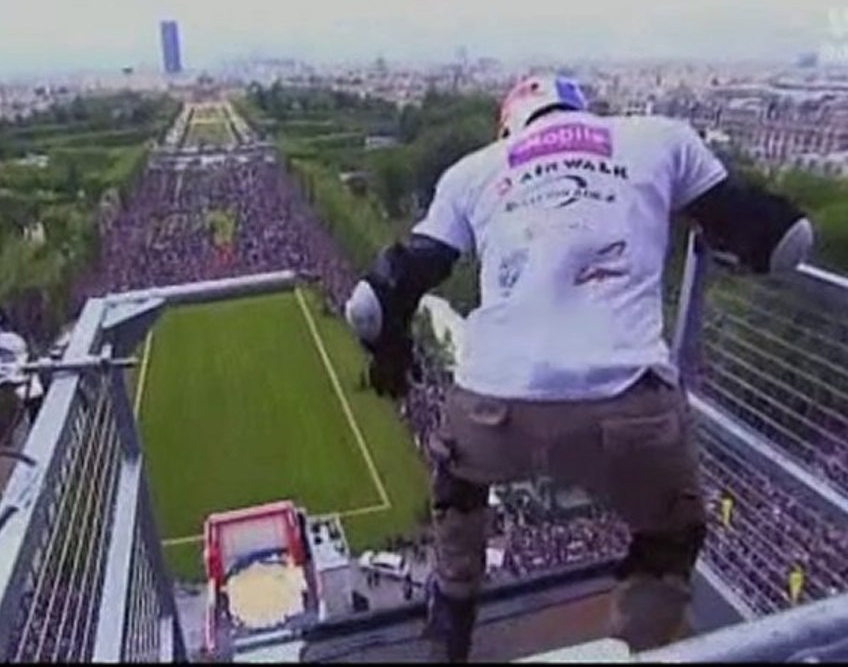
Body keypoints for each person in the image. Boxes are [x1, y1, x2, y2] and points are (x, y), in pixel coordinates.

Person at [344, 75, 814, 661]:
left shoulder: (472, 171)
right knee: (671, 536)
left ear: (509, 126)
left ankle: (450, 622)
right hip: (629, 400)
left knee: (460, 485)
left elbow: (374, 300)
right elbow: (785, 241)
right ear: (581, 110)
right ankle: (633, 647)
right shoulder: (660, 137)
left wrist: (391, 351)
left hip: (495, 403)